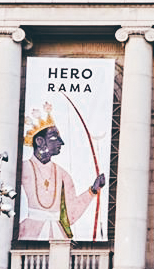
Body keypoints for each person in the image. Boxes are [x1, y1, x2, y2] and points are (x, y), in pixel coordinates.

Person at [19, 101, 106, 240]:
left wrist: (93, 190)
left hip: (58, 236)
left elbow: (70, 214)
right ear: (40, 141)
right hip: (28, 236)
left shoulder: (63, 175)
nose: (61, 142)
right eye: (54, 138)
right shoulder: (22, 169)